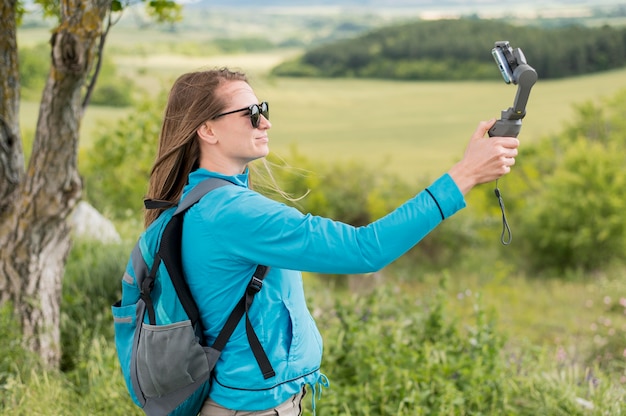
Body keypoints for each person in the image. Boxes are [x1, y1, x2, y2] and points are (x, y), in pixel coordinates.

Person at [143, 67, 519, 416]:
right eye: (251, 113)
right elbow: (364, 250)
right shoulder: (235, 213)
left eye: (264, 108)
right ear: (207, 130)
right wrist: (465, 175)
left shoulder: (199, 201)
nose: (266, 121)